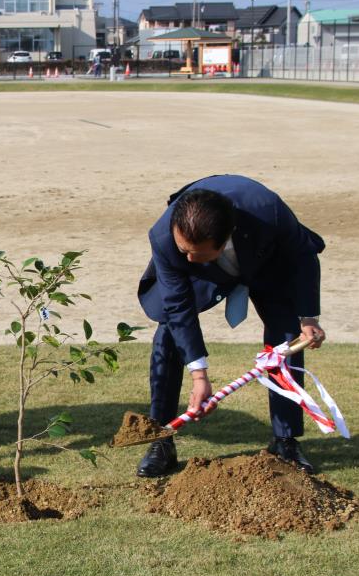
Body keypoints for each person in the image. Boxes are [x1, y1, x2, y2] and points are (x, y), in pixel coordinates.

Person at [136, 174, 327, 477]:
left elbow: (303, 257)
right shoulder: (166, 239)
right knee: (170, 331)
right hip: (204, 272)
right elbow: (177, 306)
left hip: (267, 262)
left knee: (286, 338)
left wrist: (308, 318)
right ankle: (162, 439)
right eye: (183, 249)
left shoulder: (269, 211)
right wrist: (199, 375)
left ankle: (285, 440)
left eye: (192, 253)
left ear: (224, 240)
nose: (185, 256)